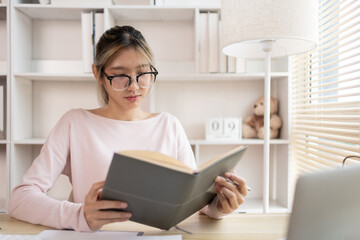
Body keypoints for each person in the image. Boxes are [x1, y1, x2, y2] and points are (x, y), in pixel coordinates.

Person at [8, 25, 248, 232]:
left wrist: (218, 208)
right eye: (120, 76)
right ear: (98, 74)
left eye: (143, 74)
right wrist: (79, 215)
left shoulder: (168, 125)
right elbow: (20, 199)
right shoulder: (75, 123)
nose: (134, 86)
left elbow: (190, 201)